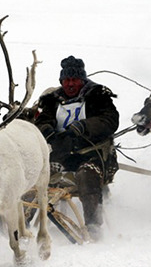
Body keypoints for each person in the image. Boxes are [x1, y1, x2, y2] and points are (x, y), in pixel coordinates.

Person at [35, 56, 119, 239]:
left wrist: (84, 126)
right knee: (34, 174)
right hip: (59, 154)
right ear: (61, 81)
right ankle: (25, 224)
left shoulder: (98, 96)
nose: (70, 84)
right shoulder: (52, 100)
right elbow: (42, 120)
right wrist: (46, 129)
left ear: (82, 80)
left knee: (87, 175)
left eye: (74, 80)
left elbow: (110, 120)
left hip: (91, 155)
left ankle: (93, 227)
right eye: (67, 80)